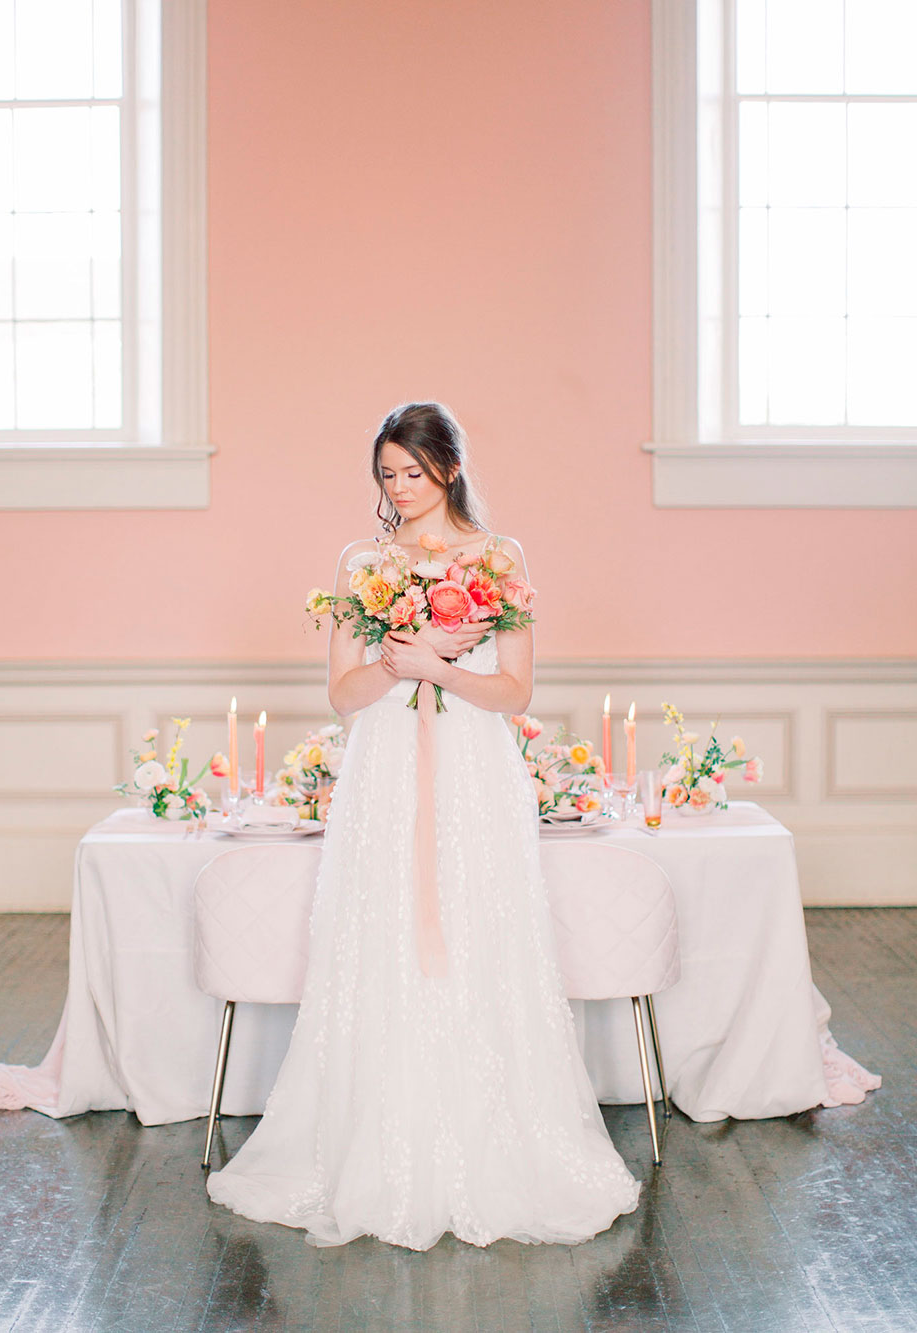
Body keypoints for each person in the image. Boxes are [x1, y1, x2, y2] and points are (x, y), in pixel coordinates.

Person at [206, 401, 640, 1249]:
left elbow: (515, 693)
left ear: (449, 467)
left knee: (481, 927)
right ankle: (373, 1143)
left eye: (414, 472)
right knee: (385, 932)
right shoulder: (361, 561)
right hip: (386, 771)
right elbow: (342, 695)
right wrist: (394, 657)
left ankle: (496, 1145)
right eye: (387, 475)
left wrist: (440, 661)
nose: (400, 490)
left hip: (476, 770)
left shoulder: (501, 557)